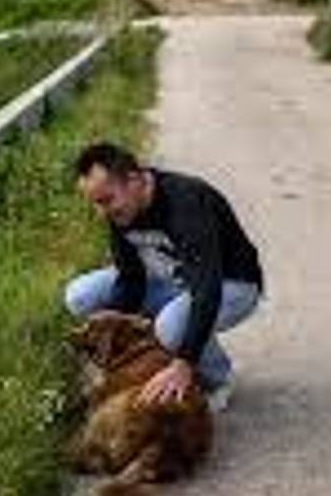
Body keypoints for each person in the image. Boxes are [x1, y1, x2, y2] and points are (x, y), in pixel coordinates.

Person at [65, 141, 265, 412]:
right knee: (81, 296)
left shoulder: (186, 202)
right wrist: (108, 327)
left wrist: (184, 362)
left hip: (230, 285)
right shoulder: (122, 211)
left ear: (134, 180)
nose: (102, 212)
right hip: (174, 282)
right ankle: (159, 348)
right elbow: (131, 278)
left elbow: (207, 290)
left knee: (171, 327)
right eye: (95, 203)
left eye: (106, 200)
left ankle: (218, 379)